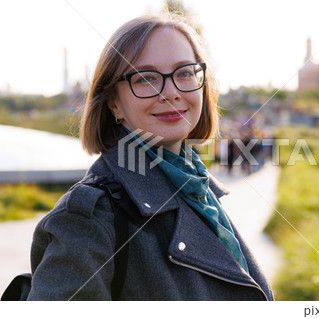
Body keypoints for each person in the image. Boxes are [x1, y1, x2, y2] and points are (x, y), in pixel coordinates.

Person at [27, 14, 274, 301]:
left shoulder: (199, 191)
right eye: (145, 78)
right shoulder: (89, 218)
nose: (171, 93)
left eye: (184, 73)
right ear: (113, 103)